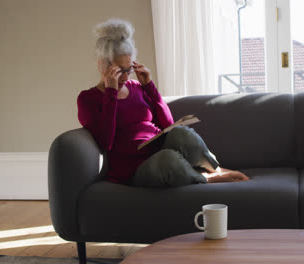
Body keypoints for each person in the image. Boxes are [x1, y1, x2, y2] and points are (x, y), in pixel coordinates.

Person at [77, 18, 249, 187]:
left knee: (182, 133)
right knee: (168, 161)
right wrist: (111, 93)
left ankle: (216, 169)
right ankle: (207, 178)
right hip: (134, 168)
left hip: (159, 148)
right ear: (102, 66)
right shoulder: (87, 99)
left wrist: (149, 86)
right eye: (119, 71)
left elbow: (167, 124)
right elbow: (104, 142)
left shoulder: (136, 87)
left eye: (129, 69)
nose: (125, 76)